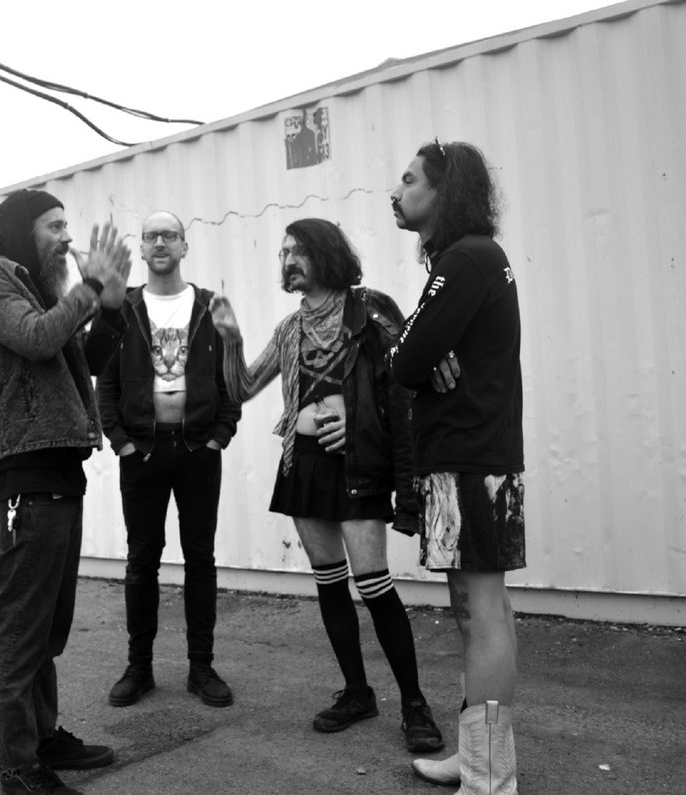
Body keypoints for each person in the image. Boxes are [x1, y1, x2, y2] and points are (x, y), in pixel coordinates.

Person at [210, 217, 444, 754]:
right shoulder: (289, 330)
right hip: (305, 463)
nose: (288, 261)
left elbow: (405, 382)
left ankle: (414, 705)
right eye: (283, 253)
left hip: (357, 464)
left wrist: (359, 423)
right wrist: (231, 342)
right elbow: (241, 388)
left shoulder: (369, 309)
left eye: (298, 251)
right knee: (330, 583)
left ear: (326, 253)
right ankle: (358, 693)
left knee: (374, 585)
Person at [0, 188, 132, 795]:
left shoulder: (40, 288)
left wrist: (110, 307)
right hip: (25, 475)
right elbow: (37, 338)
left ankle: (44, 736)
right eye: (54, 225)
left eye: (67, 225)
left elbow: (85, 360)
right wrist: (89, 287)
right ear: (20, 229)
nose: (67, 236)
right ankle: (18, 767)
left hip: (59, 471)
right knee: (21, 630)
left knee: (48, 627)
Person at [388, 140, 524, 794]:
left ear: (446, 191)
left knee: (482, 608)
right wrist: (421, 348)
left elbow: (404, 360)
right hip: (461, 455)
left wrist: (419, 351)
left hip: (473, 457)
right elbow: (415, 351)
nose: (398, 191)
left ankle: (491, 777)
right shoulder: (463, 261)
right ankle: (477, 758)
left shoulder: (468, 258)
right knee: (473, 610)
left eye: (410, 180)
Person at [96, 210, 241, 709]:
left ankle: (202, 668)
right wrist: (120, 441)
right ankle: (139, 668)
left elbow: (229, 375)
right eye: (151, 236)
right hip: (142, 451)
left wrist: (221, 435)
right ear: (141, 248)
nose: (160, 243)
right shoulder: (123, 307)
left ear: (184, 246)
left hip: (199, 449)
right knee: (142, 560)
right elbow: (106, 381)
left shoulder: (209, 305)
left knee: (200, 560)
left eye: (170, 235)